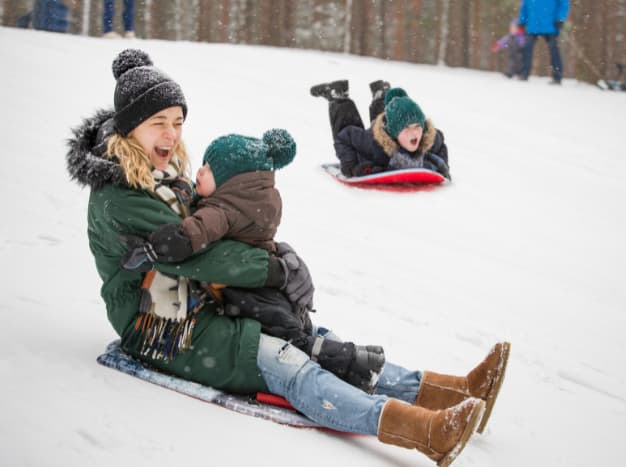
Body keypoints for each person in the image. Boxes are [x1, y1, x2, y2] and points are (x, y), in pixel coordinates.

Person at [66, 48, 510, 466]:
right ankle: (425, 431)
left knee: (321, 343)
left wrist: (279, 256)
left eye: (178, 121)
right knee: (288, 361)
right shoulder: (118, 199)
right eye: (157, 122)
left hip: (215, 300)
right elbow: (195, 258)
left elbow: (218, 228)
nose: (171, 134)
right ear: (129, 129)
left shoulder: (166, 173)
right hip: (161, 328)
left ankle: (454, 391)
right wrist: (273, 268)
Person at [120, 129, 387, 393]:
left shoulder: (221, 211)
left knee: (294, 343)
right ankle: (358, 359)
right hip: (267, 287)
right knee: (299, 333)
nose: (199, 172)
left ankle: (356, 366)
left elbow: (193, 233)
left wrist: (155, 248)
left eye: (209, 169)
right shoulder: (256, 198)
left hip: (247, 291)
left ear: (229, 182)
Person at [310, 80, 450, 179]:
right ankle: (338, 96)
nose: (414, 133)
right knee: (346, 125)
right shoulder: (372, 144)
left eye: (418, 127)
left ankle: (381, 94)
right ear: (394, 133)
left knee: (393, 114)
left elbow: (440, 143)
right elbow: (344, 137)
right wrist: (350, 166)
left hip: (389, 128)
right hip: (377, 141)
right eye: (407, 129)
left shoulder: (427, 140)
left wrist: (443, 166)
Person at [518, 0, 570, 84]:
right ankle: (524, 73)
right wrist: (521, 20)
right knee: (526, 48)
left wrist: (560, 18)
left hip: (550, 25)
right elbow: (524, 6)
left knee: (554, 51)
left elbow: (563, 4)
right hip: (533, 24)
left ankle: (557, 77)